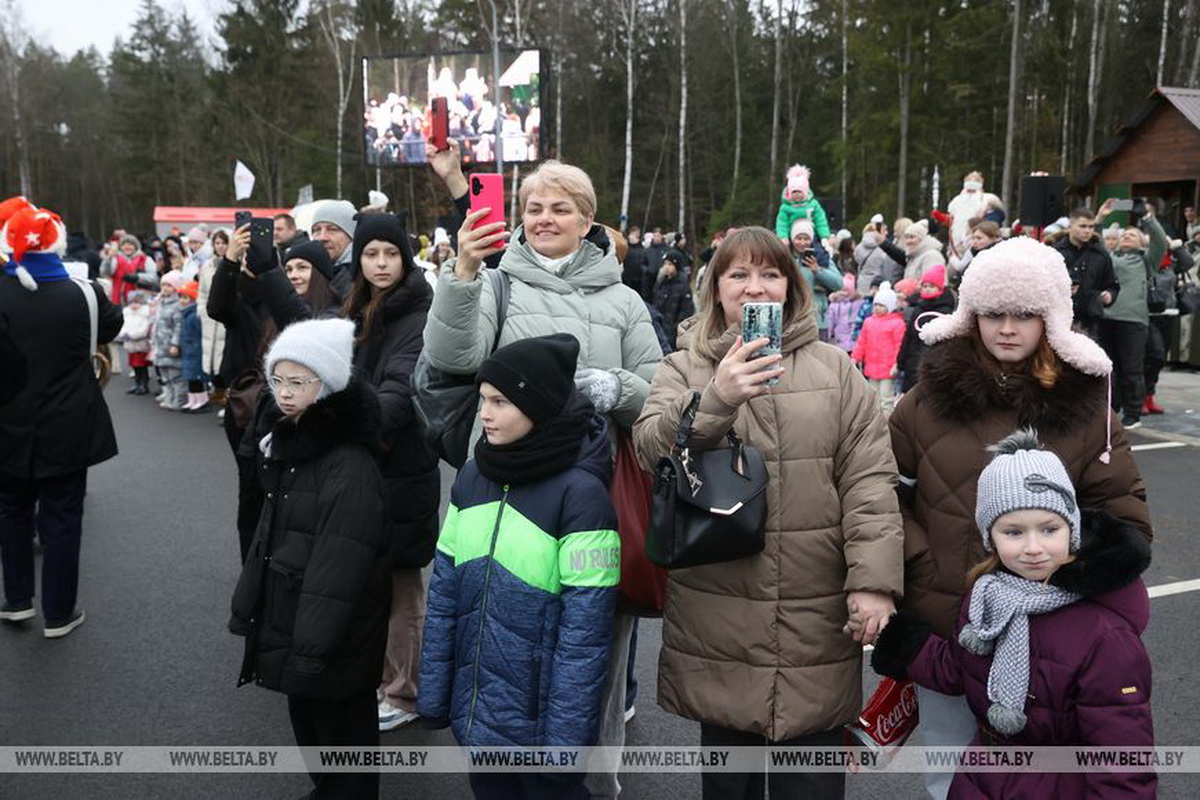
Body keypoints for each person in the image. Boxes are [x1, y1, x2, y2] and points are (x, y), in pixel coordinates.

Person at [633, 226, 902, 800]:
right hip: (719, 605)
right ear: (715, 287)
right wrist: (716, 401)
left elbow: (870, 482)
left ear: (792, 287)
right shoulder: (685, 366)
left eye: (770, 274)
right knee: (729, 784)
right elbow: (650, 448)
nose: (755, 289)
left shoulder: (835, 369)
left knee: (811, 782)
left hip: (815, 611)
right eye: (739, 275)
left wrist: (874, 582)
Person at [423, 157, 662, 799]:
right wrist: (464, 272)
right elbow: (451, 358)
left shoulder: (626, 300)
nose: (545, 218)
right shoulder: (496, 284)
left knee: (587, 643)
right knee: (498, 633)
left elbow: (661, 390)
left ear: (588, 221)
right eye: (534, 207)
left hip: (591, 494)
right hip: (502, 490)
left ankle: (582, 775)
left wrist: (613, 386)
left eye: (561, 208)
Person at [887, 235, 1152, 800]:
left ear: (1052, 317)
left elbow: (1124, 517)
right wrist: (918, 568)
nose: (1007, 327)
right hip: (944, 623)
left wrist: (1070, 580)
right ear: (971, 314)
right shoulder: (924, 400)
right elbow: (884, 496)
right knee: (948, 775)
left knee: (1049, 780)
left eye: (1025, 314)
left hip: (1053, 643)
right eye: (993, 312)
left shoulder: (1087, 409)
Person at [872, 429, 1155, 799]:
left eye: (1049, 529)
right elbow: (960, 666)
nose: (1033, 548)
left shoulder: (1106, 637)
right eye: (1014, 532)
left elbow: (1122, 763)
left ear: (1072, 529)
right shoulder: (988, 596)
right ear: (990, 537)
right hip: (983, 779)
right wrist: (905, 642)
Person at [419, 334, 619, 800]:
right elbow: (444, 596)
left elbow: (584, 641)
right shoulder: (473, 476)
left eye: (501, 402)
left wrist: (564, 748)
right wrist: (434, 696)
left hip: (542, 721)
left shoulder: (582, 496)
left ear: (540, 406)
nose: (484, 414)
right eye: (483, 400)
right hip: (480, 712)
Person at [229, 317, 390, 800]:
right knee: (313, 724)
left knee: (342, 730)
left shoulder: (347, 466)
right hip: (299, 616)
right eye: (277, 379)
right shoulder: (292, 444)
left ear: (328, 384)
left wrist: (311, 648)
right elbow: (268, 534)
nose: (284, 391)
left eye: (298, 381)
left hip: (331, 630)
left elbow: (339, 570)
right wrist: (249, 605)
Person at [0, 202, 122, 638]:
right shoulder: (84, 292)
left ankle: (16, 600)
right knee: (64, 517)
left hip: (8, 418)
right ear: (58, 242)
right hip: (69, 419)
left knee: (11, 510)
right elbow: (112, 327)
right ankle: (59, 611)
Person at [340, 214, 441, 733]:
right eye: (371, 254)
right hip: (364, 465)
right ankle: (382, 678)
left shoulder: (419, 313)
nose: (381, 264)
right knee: (370, 582)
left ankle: (406, 692)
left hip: (401, 468)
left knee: (403, 588)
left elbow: (396, 398)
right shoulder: (356, 308)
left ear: (406, 258)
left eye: (391, 254)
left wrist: (335, 414)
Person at [1101, 209, 1167, 430]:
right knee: (1111, 368)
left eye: (1132, 235)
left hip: (1133, 320)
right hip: (1107, 318)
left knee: (1132, 368)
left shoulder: (1146, 260)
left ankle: (1133, 412)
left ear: (1142, 243)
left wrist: (1148, 218)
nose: (1126, 236)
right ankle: (1113, 408)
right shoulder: (1109, 258)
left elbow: (1159, 241)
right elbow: (1094, 242)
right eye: (1124, 235)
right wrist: (1100, 217)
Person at [1051, 204, 1119, 340]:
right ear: (1070, 226)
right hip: (1059, 318)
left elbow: (1112, 284)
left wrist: (1109, 296)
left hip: (1090, 320)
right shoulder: (1054, 252)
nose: (1087, 231)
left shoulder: (1101, 255)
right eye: (1082, 226)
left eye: (1091, 227)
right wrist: (1063, 289)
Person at [895, 264, 956, 393]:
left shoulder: (946, 311)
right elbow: (908, 336)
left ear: (939, 288)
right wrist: (900, 361)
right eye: (925, 286)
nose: (927, 289)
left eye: (932, 286)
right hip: (912, 362)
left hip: (934, 364)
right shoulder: (918, 308)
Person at [851, 281, 906, 413]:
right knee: (873, 398)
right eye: (875, 304)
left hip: (888, 370)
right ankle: (874, 422)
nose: (877, 308)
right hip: (871, 367)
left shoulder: (897, 323)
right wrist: (855, 357)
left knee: (886, 398)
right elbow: (861, 342)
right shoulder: (868, 322)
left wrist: (896, 364)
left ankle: (886, 423)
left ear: (890, 306)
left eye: (881, 305)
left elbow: (900, 346)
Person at [788, 219, 842, 341]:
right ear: (792, 239)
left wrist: (818, 271)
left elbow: (839, 284)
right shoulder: (786, 259)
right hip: (792, 318)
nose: (802, 243)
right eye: (798, 238)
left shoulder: (822, 257)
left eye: (806, 238)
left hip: (818, 319)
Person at [152, 270, 187, 412]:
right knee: (165, 375)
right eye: (163, 284)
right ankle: (169, 397)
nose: (165, 288)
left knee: (176, 376)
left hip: (171, 346)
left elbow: (179, 327)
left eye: (169, 285)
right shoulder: (160, 303)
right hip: (160, 345)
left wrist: (175, 344)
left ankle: (179, 400)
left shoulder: (177, 305)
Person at [774, 164, 831, 242]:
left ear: (805, 192)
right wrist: (783, 237)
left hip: (811, 236)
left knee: (819, 250)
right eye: (794, 192)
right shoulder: (785, 208)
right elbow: (782, 224)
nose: (797, 194)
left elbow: (820, 221)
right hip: (792, 237)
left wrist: (824, 236)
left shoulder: (813, 205)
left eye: (799, 191)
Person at [652, 250, 695, 350]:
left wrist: (675, 329)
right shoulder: (661, 282)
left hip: (673, 333)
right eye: (665, 264)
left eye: (670, 264)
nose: (666, 267)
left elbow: (687, 311)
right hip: (660, 329)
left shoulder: (682, 285)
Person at [177, 281, 209, 412]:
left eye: (185, 297)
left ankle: (201, 400)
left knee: (197, 377)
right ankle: (192, 399)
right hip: (188, 350)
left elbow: (202, 332)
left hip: (196, 351)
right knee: (190, 377)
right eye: (181, 297)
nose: (182, 301)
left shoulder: (195, 315)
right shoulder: (186, 314)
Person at [115, 290, 153, 395]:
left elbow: (145, 328)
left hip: (140, 343)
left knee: (142, 366)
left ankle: (144, 384)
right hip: (130, 343)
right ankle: (137, 383)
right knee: (134, 365)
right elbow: (123, 325)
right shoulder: (127, 312)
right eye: (131, 302)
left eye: (137, 302)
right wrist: (123, 334)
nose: (134, 305)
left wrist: (134, 335)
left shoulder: (145, 313)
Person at [309, 200, 358, 273]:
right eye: (317, 229)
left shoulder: (362, 276)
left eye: (332, 229)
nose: (322, 237)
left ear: (352, 236)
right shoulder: (307, 273)